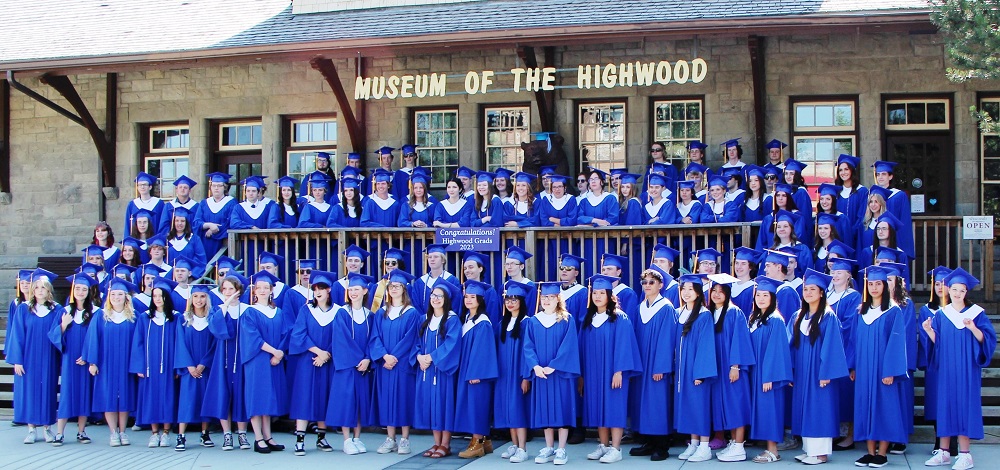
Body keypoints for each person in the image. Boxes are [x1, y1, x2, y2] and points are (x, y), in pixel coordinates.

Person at [922, 268, 996, 470]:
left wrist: (973, 327)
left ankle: (965, 455)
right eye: (954, 289)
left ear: (966, 292)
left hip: (967, 370)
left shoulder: (976, 314)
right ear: (948, 290)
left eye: (961, 290)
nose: (957, 293)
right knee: (945, 406)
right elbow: (938, 343)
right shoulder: (942, 315)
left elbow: (987, 340)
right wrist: (928, 331)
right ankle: (944, 453)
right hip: (946, 369)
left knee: (964, 407)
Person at [579, 274, 642, 464]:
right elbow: (581, 349)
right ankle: (603, 446)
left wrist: (619, 371)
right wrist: (581, 376)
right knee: (598, 407)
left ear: (610, 295)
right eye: (595, 293)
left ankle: (616, 448)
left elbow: (624, 346)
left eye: (602, 293)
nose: (597, 296)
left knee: (614, 408)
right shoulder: (588, 320)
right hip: (593, 373)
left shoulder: (619, 318)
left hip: (614, 373)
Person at [788, 269, 849, 465]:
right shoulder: (799, 316)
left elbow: (832, 347)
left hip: (819, 372)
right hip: (803, 371)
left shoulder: (828, 316)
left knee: (820, 409)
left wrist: (826, 373)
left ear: (822, 293)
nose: (808, 293)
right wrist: (790, 371)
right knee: (805, 407)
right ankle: (809, 450)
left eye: (813, 289)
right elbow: (790, 346)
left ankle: (821, 453)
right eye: (806, 289)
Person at [850, 266, 908, 468]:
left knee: (884, 408)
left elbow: (896, 344)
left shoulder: (893, 312)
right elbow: (853, 341)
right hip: (864, 369)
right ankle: (869, 452)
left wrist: (891, 370)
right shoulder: (862, 312)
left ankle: (882, 454)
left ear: (885, 286)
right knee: (865, 405)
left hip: (883, 370)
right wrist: (853, 366)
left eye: (878, 283)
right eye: (871, 284)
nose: (874, 287)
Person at [523, 282, 580, 466]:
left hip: (560, 373)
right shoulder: (534, 321)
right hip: (541, 374)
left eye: (551, 297)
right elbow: (528, 347)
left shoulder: (566, 319)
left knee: (562, 409)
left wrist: (554, 365)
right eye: (544, 297)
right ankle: (549, 447)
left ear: (558, 299)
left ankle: (561, 449)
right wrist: (535, 366)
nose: (547, 300)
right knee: (545, 410)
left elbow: (569, 345)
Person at [7, 269, 62, 444]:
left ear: (49, 290)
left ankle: (47, 428)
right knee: (29, 391)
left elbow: (57, 335)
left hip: (48, 358)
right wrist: (17, 360)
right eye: (36, 287)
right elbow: (17, 335)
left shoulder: (56, 310)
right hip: (29, 358)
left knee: (47, 390)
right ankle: (31, 429)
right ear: (32, 290)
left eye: (43, 288)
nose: (39, 290)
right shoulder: (23, 309)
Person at [83, 277, 139, 447]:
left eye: (120, 294)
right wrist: (92, 362)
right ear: (109, 296)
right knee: (109, 397)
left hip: (126, 364)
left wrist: (137, 364)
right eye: (113, 294)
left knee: (125, 398)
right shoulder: (101, 316)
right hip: (106, 364)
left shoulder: (133, 317)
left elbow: (138, 343)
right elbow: (93, 339)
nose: (116, 297)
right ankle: (113, 433)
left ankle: (123, 432)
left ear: (126, 297)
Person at [628, 266, 677, 461]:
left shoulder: (666, 307)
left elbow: (668, 339)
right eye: (644, 282)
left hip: (656, 365)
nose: (647, 285)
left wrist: (661, 367)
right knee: (642, 402)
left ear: (660, 285)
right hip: (641, 363)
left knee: (657, 403)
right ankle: (648, 442)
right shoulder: (640, 307)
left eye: (652, 282)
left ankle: (661, 445)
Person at [370, 269, 420, 455]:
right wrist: (384, 356)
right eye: (391, 286)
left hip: (402, 364)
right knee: (388, 401)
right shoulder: (381, 312)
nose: (394, 289)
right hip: (386, 365)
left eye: (397, 286)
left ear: (404, 289)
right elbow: (374, 337)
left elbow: (410, 339)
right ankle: (390, 439)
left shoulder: (411, 313)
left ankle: (405, 439)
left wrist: (394, 357)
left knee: (403, 400)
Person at [241, 271, 292, 454]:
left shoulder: (278, 312)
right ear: (254, 291)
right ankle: (258, 438)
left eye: (266, 287)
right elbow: (252, 338)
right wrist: (275, 352)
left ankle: (268, 436)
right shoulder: (249, 312)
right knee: (257, 398)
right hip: (257, 360)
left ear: (272, 290)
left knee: (269, 398)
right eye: (259, 287)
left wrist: (279, 354)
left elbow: (285, 334)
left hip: (274, 360)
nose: (262, 290)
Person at [288, 270, 338, 456]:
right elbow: (299, 334)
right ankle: (300, 439)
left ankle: (321, 437)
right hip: (308, 360)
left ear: (329, 290)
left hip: (328, 361)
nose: (318, 291)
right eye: (315, 288)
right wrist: (319, 352)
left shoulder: (338, 311)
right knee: (304, 396)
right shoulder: (306, 310)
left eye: (322, 288)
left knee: (324, 396)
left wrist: (327, 355)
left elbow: (340, 337)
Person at [706, 274, 755, 462]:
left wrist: (736, 366)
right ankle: (733, 443)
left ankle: (739, 445)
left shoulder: (734, 312)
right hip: (718, 367)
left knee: (736, 404)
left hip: (732, 367)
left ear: (727, 294)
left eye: (721, 292)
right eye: (714, 291)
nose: (717, 295)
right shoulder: (711, 313)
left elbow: (739, 340)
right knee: (726, 405)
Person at [327, 273, 376, 455]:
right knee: (346, 402)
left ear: (365, 291)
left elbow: (374, 339)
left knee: (360, 402)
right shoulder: (342, 313)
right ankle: (347, 439)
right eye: (351, 289)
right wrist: (359, 359)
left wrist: (368, 358)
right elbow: (341, 340)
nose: (353, 292)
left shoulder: (370, 316)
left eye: (357, 289)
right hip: (347, 367)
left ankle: (357, 437)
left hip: (364, 367)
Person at [746, 277, 793, 464]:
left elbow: (777, 351)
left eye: (766, 295)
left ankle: (773, 450)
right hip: (755, 374)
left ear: (773, 298)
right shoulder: (755, 318)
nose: (761, 298)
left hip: (768, 377)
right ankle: (767, 448)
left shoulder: (776, 320)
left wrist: (769, 377)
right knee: (762, 411)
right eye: (759, 295)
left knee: (770, 411)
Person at [202, 274, 252, 451]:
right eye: (225, 289)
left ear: (239, 290)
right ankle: (227, 434)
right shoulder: (218, 310)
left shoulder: (247, 310)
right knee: (223, 394)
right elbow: (218, 331)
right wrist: (226, 304)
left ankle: (242, 433)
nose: (228, 292)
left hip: (242, 358)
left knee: (241, 395)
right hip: (222, 359)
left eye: (232, 288)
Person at [412, 285, 461, 458]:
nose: (436, 299)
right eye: (433, 295)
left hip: (442, 371)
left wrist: (431, 357)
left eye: (440, 296)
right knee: (431, 406)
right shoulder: (424, 318)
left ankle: (446, 444)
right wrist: (419, 357)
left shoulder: (452, 320)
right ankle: (436, 442)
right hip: (426, 370)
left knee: (443, 405)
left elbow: (452, 344)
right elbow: (416, 342)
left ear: (446, 299)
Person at [674, 275, 718, 463]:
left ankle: (704, 446)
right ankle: (693, 443)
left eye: (691, 289)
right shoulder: (679, 313)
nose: (686, 292)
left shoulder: (704, 315)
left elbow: (706, 345)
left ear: (699, 292)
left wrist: (700, 372)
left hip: (696, 369)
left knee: (699, 406)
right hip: (682, 369)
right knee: (689, 405)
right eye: (683, 288)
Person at [453, 281, 500, 459]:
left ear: (480, 300)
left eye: (473, 297)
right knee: (472, 405)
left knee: (476, 406)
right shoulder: (467, 319)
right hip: (468, 370)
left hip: (477, 373)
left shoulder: (483, 323)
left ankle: (476, 443)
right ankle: (485, 441)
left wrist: (476, 373)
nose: (469, 300)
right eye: (467, 297)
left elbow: (484, 350)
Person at [50, 273, 98, 446]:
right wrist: (63, 325)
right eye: (77, 288)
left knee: (84, 394)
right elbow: (53, 335)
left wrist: (88, 356)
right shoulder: (64, 312)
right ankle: (59, 433)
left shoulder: (94, 313)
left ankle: (81, 431)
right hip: (69, 359)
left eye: (84, 289)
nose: (80, 291)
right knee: (66, 395)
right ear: (73, 290)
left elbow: (95, 338)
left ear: (89, 291)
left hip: (84, 360)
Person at [917, 266, 957, 458]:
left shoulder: (958, 310)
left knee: (954, 400)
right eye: (937, 284)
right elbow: (924, 338)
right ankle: (939, 439)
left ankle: (955, 440)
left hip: (955, 363)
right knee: (936, 402)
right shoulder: (927, 310)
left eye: (945, 284)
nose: (941, 287)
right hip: (935, 363)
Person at [174, 283, 217, 451]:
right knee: (186, 400)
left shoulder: (211, 319)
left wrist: (203, 363)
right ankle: (181, 435)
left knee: (204, 399)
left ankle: (205, 433)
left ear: (207, 299)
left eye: (203, 296)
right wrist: (189, 365)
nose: (199, 300)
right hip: (189, 369)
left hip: (205, 367)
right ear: (190, 299)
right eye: (196, 296)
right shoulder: (183, 319)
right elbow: (180, 343)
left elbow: (214, 345)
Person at [826, 258, 861, 451]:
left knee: (848, 395)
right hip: (828, 351)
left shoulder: (853, 297)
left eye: (840, 272)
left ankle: (850, 435)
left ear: (849, 275)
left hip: (845, 350)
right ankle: (834, 432)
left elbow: (849, 326)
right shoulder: (827, 294)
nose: (835, 275)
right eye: (833, 272)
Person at [495, 281, 532, 463]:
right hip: (504, 374)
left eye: (514, 299)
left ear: (522, 301)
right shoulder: (503, 323)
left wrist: (526, 376)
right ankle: (514, 444)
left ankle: (523, 448)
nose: (510, 303)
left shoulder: (526, 323)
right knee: (507, 409)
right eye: (508, 299)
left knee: (518, 409)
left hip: (518, 373)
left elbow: (528, 353)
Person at [870, 161, 914, 259]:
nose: (880, 177)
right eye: (878, 174)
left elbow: (904, 221)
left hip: (895, 240)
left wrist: (902, 246)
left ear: (890, 177)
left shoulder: (899, 196)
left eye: (884, 174)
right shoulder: (872, 196)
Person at [412, 244, 462, 320]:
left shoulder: (452, 280)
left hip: (445, 323)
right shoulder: (420, 282)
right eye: (429, 257)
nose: (432, 259)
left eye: (436, 257)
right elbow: (415, 305)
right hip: (424, 324)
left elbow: (456, 304)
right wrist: (424, 320)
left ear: (443, 260)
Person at [194, 172, 236, 259]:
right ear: (211, 187)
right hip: (205, 243)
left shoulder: (231, 203)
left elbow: (231, 223)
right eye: (214, 185)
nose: (216, 188)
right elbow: (196, 222)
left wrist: (215, 230)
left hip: (223, 242)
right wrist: (209, 225)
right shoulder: (204, 203)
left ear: (225, 187)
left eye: (219, 185)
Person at [167, 207, 207, 278]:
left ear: (186, 223)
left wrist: (192, 275)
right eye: (177, 221)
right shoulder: (167, 239)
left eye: (182, 221)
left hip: (188, 278)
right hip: (170, 278)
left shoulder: (194, 239)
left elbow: (201, 261)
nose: (179, 223)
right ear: (173, 222)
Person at [124, 171, 166, 238]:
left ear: (150, 187)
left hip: (155, 243)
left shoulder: (159, 204)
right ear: (137, 187)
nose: (142, 187)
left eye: (145, 184)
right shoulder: (132, 205)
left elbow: (163, 224)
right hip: (137, 242)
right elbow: (127, 225)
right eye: (140, 185)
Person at [834, 154, 868, 237]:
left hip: (856, 235)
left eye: (846, 169)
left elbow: (862, 216)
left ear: (852, 171)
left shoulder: (862, 191)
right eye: (840, 170)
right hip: (837, 234)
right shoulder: (836, 191)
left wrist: (851, 232)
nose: (843, 172)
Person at [503, 245, 537, 317]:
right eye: (507, 264)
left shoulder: (530, 286)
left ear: (522, 266)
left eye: (512, 264)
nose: (509, 267)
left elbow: (531, 309)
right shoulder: (504, 286)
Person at [557, 253, 588, 327]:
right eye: (562, 268)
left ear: (576, 273)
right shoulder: (556, 291)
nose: (564, 270)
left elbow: (583, 320)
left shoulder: (582, 292)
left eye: (568, 268)